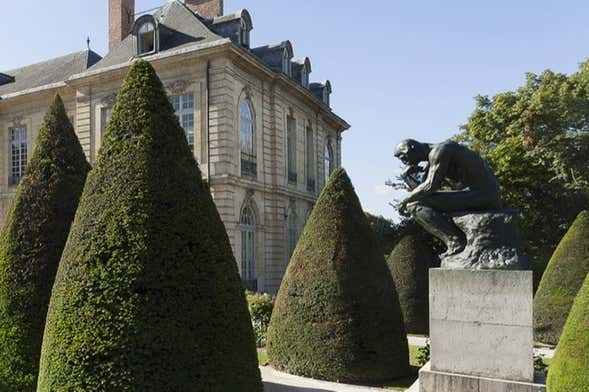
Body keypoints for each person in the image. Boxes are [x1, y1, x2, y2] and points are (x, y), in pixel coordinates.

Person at [394, 139, 501, 257]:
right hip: (477, 193)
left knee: (414, 206)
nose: (405, 162)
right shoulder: (433, 157)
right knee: (416, 203)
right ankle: (456, 241)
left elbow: (430, 186)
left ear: (413, 149)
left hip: (483, 195)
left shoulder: (440, 151)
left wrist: (405, 200)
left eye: (404, 157)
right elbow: (423, 190)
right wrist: (406, 176)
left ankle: (455, 241)